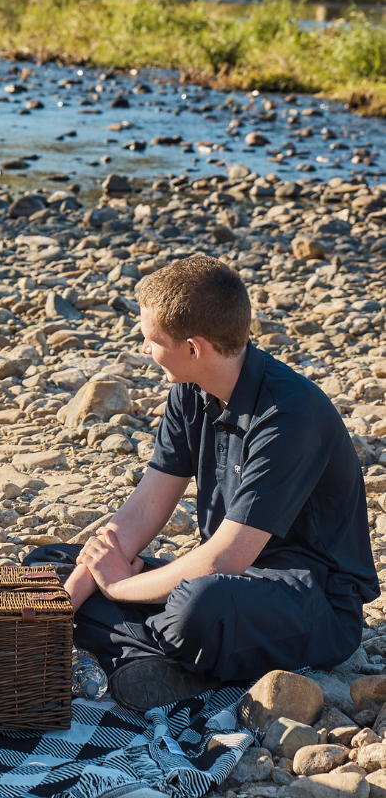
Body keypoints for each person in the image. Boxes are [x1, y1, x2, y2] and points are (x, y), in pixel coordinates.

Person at [52, 254, 378, 712]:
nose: (144, 349)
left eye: (151, 339)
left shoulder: (287, 415)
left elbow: (226, 557)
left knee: (197, 607)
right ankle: (158, 661)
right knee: (53, 568)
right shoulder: (190, 391)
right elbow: (144, 509)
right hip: (229, 578)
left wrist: (119, 588)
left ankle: (143, 654)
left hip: (312, 602)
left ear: (193, 348)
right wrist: (65, 602)